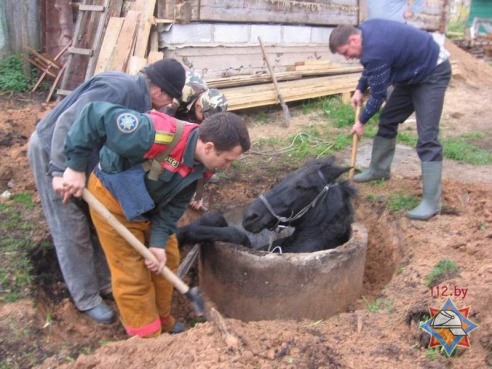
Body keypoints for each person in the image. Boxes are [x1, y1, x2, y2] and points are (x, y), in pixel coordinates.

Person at [60, 105, 250, 338]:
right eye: (228, 160)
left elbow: (174, 207)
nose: (228, 166)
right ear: (209, 147)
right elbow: (93, 114)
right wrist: (74, 166)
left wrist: (158, 242)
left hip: (149, 206)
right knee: (132, 274)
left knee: (167, 258)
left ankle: (163, 321)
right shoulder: (155, 134)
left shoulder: (203, 166)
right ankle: (148, 339)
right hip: (114, 202)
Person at [27, 58, 186, 324]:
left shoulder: (138, 100)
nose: (168, 105)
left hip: (82, 158)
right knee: (71, 226)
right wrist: (59, 170)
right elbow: (67, 123)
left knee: (95, 220)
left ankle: (103, 282)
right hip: (52, 151)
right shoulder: (118, 90)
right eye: (169, 99)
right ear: (159, 91)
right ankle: (86, 297)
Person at [329, 20, 451, 220]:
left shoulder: (376, 49)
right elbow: (370, 67)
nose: (347, 57)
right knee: (388, 118)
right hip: (411, 73)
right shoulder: (366, 32)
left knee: (427, 136)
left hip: (432, 71)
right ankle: (379, 169)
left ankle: (432, 202)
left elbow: (377, 96)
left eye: (345, 52)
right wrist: (360, 88)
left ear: (353, 39)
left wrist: (361, 121)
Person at [163, 69, 228, 123]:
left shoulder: (206, 96)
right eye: (204, 118)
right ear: (198, 105)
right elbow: (163, 119)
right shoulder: (183, 93)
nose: (204, 121)